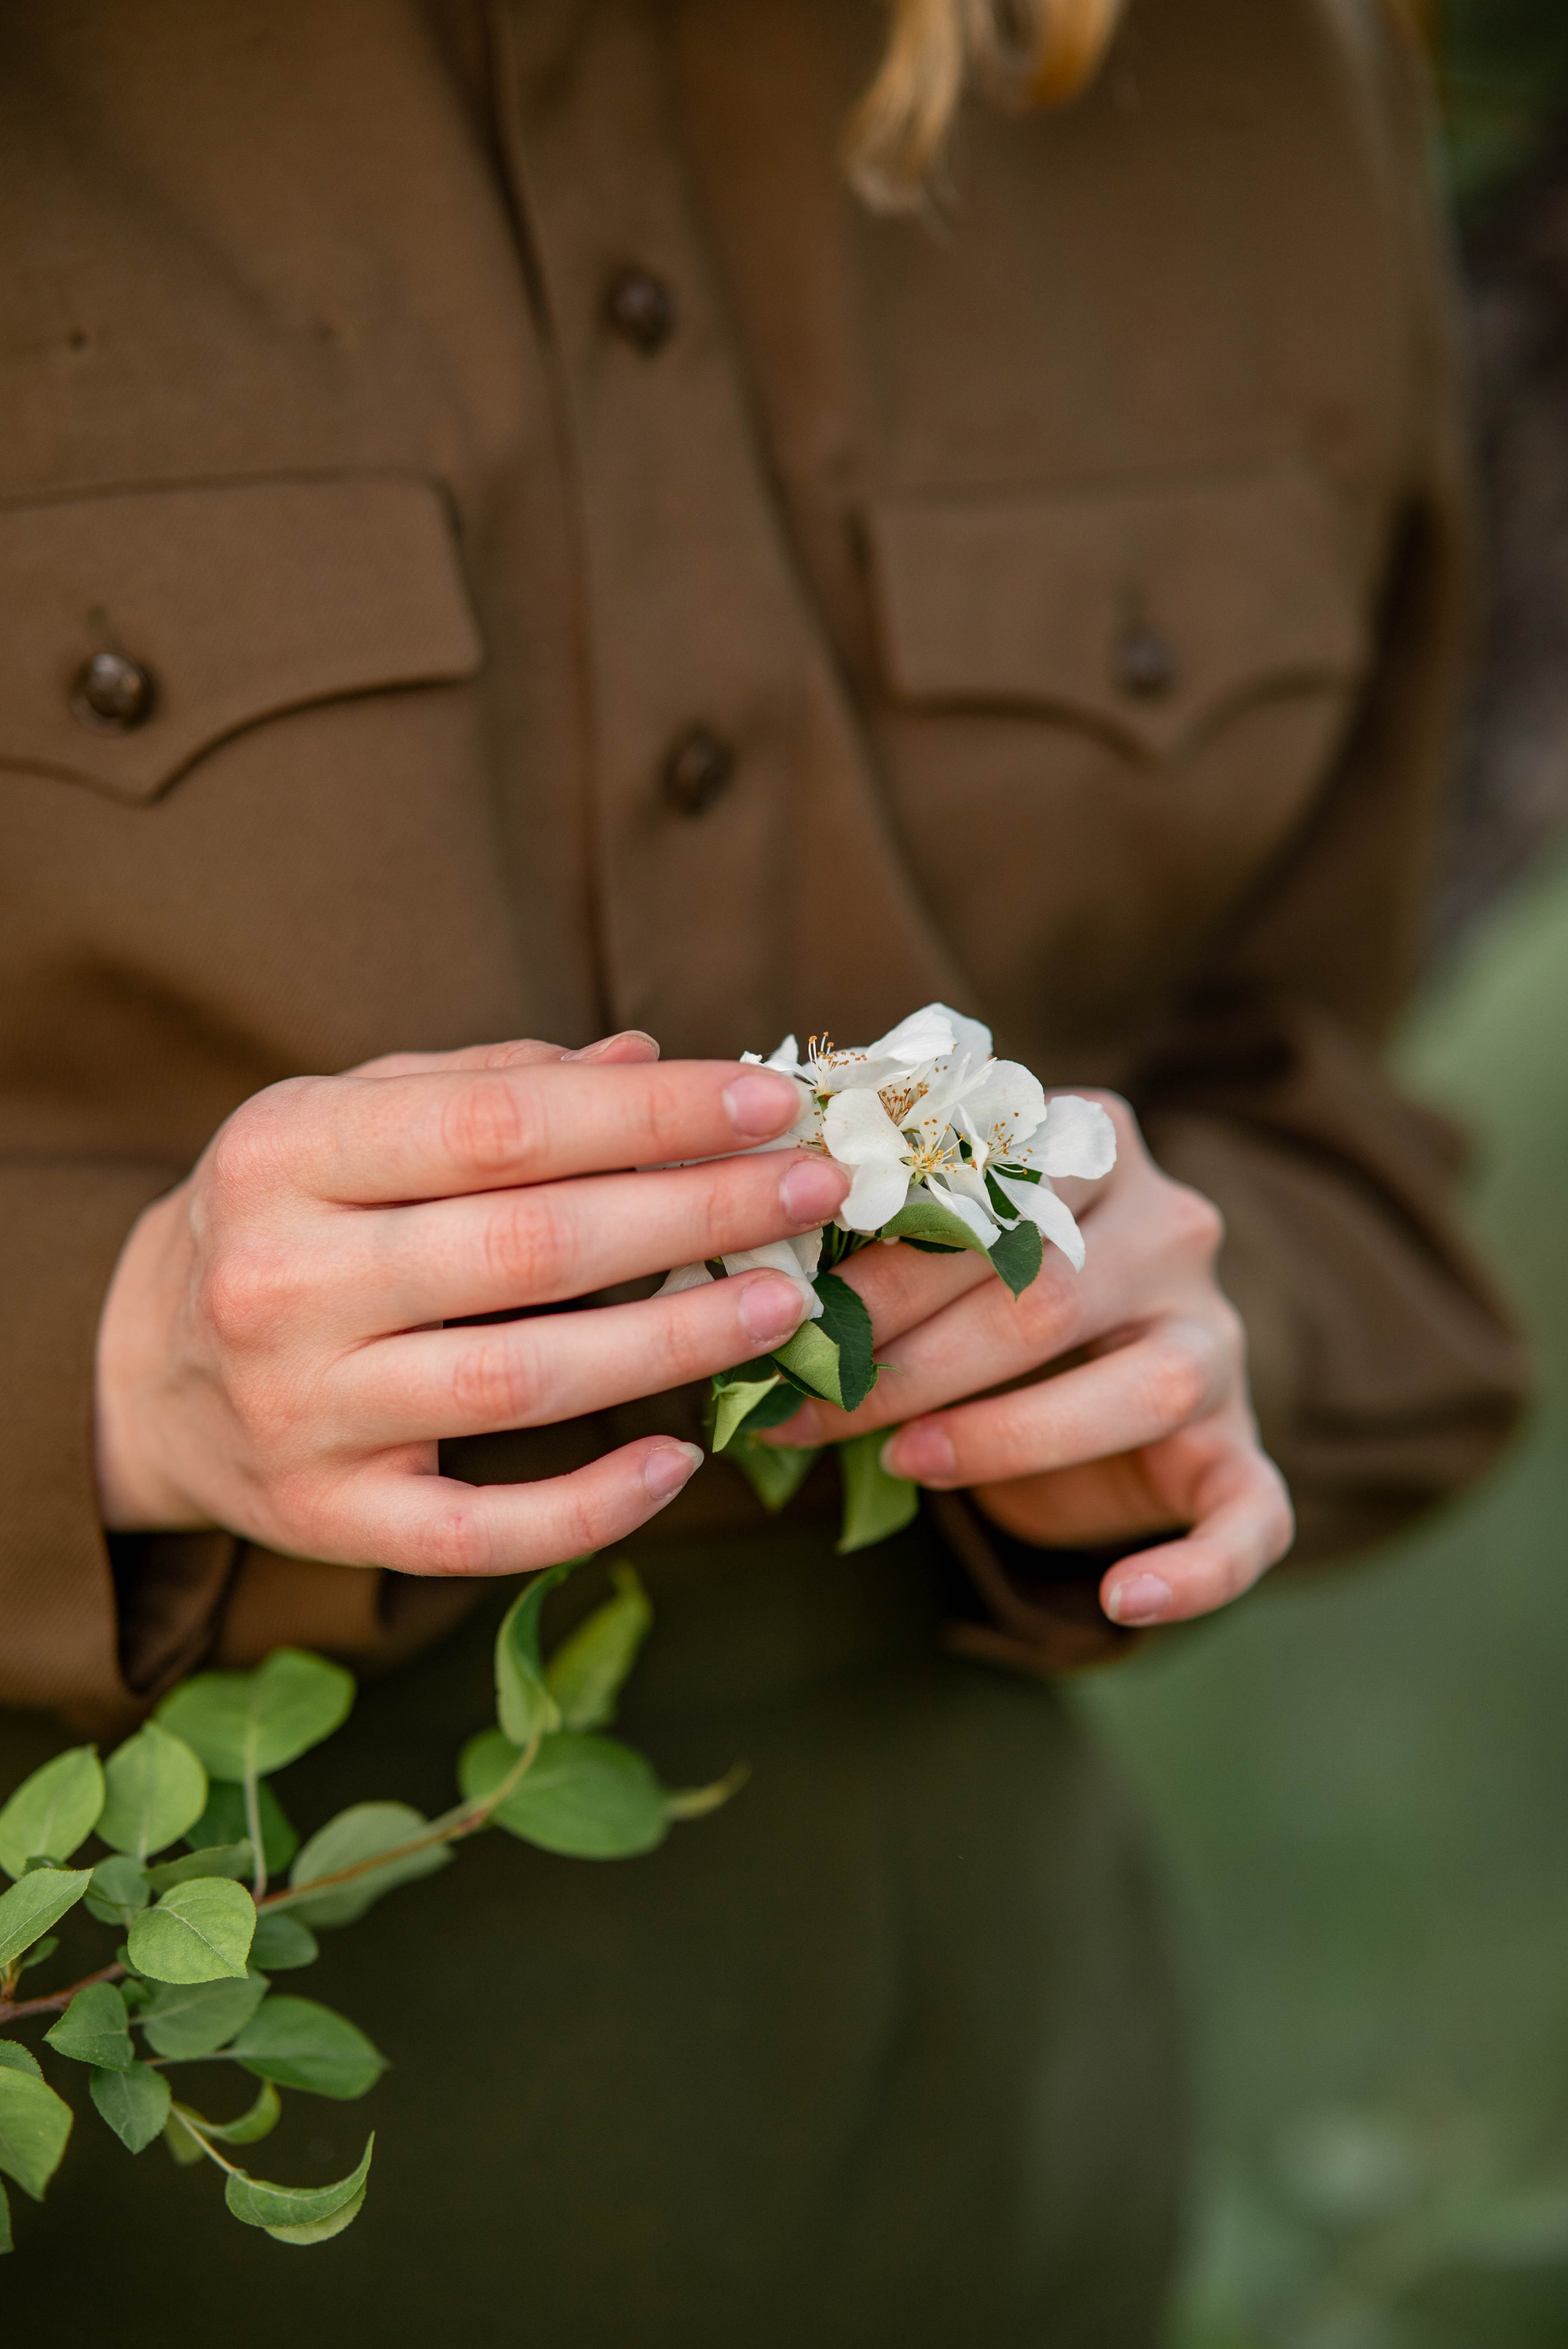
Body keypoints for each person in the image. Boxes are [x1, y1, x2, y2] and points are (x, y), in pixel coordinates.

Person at [0, 1, 1526, 2339]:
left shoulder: (1248, 77)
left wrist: (1191, 1341)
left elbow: (1316, 1115)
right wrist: (92, 1373)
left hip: (984, 2196)